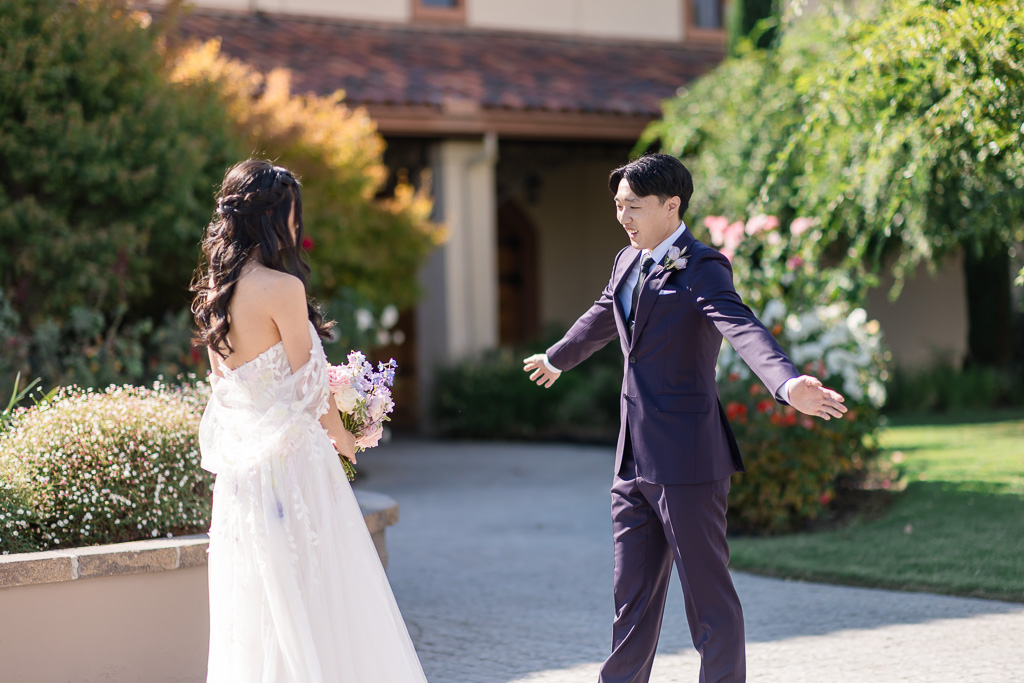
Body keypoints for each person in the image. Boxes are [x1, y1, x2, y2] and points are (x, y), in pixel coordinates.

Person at [523, 153, 847, 683]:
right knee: (631, 604)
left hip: (689, 460)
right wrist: (558, 357)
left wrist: (787, 384)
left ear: (672, 207)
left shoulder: (703, 266)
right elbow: (605, 312)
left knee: (708, 605)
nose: (624, 216)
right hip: (632, 460)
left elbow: (740, 325)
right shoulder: (627, 260)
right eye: (618, 206)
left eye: (635, 206)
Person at [192, 159, 427, 683]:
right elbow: (310, 387)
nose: (298, 227)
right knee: (322, 594)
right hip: (297, 464)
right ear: (273, 219)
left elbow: (228, 394)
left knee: (259, 602)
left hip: (244, 476)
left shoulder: (214, 297)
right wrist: (348, 437)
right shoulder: (282, 288)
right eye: (293, 214)